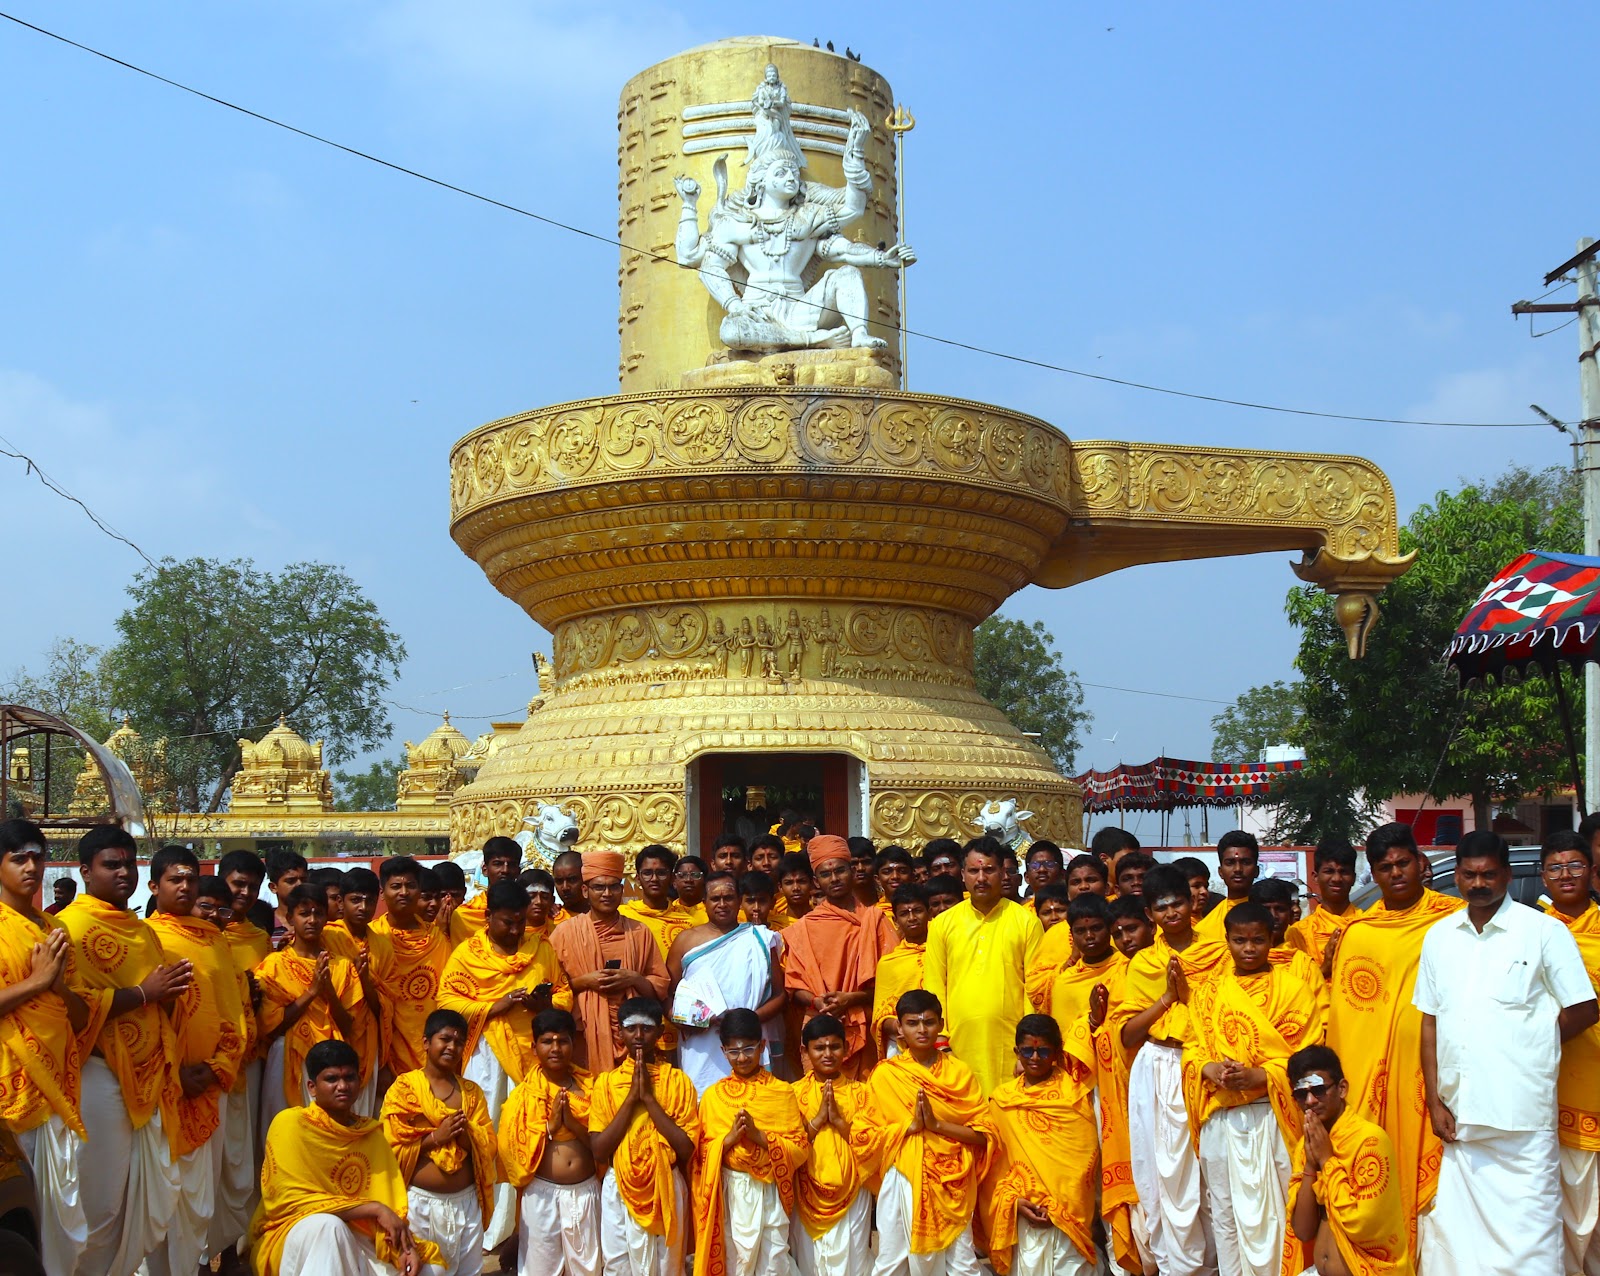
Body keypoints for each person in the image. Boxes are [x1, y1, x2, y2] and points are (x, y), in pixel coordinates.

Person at [1413, 828, 1597, 1276]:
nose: (1479, 884)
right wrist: (1435, 1102)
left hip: (1523, 1116)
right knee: (1458, 1242)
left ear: (1508, 876)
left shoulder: (1543, 931)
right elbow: (1430, 1021)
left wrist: (1534, 1045)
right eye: (1470, 875)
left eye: (1489, 875)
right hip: (1462, 1118)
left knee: (1530, 1240)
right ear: (1456, 876)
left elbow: (1585, 1007)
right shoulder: (1440, 937)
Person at [1324, 822, 1462, 1258]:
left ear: (1422, 864)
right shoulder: (1359, 933)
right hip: (1374, 1085)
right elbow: (1348, 1021)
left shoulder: (1454, 920)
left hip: (1438, 1080)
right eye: (1385, 867)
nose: (1396, 873)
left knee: (1443, 1196)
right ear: (1374, 875)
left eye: (1404, 863)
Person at [41, 825, 173, 1276]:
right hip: (97, 1076)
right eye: (110, 865)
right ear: (84, 871)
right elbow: (71, 1007)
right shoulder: (70, 928)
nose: (123, 873)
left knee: (121, 1206)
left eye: (128, 864)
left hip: (146, 1080)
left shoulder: (140, 928)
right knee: (97, 1206)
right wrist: (143, 994)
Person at [1185, 900, 1323, 1276]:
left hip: (1274, 1116)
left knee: (1282, 1204)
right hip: (1222, 1118)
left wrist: (1261, 1076)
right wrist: (1210, 1068)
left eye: (1258, 940)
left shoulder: (1294, 990)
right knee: (1226, 1212)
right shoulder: (1207, 993)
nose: (1249, 949)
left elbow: (1308, 1057)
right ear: (1226, 941)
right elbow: (1193, 1049)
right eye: (1239, 940)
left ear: (1272, 939)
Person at [1110, 863, 1229, 1276]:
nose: (1171, 912)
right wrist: (1167, 998)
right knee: (1166, 1170)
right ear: (1149, 914)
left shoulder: (1218, 952)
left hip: (1208, 1066)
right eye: (1160, 907)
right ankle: (1179, 1265)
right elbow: (1127, 1034)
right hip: (1160, 1066)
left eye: (1177, 902)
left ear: (1193, 901)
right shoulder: (1143, 962)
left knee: (1210, 1166)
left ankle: (1216, 1263)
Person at [439, 878, 568, 1250]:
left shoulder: (540, 948)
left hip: (534, 1058)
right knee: (488, 1135)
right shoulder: (467, 954)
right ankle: (487, 1224)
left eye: (520, 923)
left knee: (528, 1133)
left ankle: (522, 1226)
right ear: (488, 916)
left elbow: (563, 993)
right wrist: (496, 1006)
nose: (515, 931)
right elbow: (446, 1001)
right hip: (487, 1059)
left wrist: (544, 1006)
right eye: (507, 923)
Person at [144, 844, 251, 1276]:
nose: (185, 886)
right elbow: (140, 1013)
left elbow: (233, 1014)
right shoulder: (146, 937)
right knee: (158, 1192)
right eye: (175, 879)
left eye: (191, 878)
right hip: (158, 1086)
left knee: (199, 1195)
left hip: (209, 1081)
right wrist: (173, 1070)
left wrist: (213, 1068)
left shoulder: (215, 941)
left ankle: (193, 1266)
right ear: (155, 886)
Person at [250, 1039, 437, 1276]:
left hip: (359, 1235)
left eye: (349, 1078)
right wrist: (374, 1209)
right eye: (331, 1079)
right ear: (311, 1087)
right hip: (294, 1233)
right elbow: (290, 1202)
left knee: (432, 1268)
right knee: (329, 1228)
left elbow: (391, 1207)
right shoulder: (290, 1125)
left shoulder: (371, 1134)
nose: (342, 1086)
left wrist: (403, 1246)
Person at [851, 989, 991, 1276]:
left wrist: (938, 1126)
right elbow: (862, 1137)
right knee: (893, 1260)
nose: (922, 1030)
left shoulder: (959, 1074)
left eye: (928, 1022)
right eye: (913, 1023)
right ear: (899, 1028)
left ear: (940, 1024)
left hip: (953, 1179)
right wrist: (908, 1127)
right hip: (901, 1178)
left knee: (961, 1263)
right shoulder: (886, 1075)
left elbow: (984, 1134)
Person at [691, 1008, 809, 1276]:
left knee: (774, 1262)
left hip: (769, 1190)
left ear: (763, 1046)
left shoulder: (782, 1092)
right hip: (730, 1191)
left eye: (749, 1049)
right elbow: (701, 1156)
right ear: (723, 1051)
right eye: (733, 1051)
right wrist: (730, 1139)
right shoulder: (713, 1097)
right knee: (736, 1263)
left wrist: (759, 1137)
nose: (742, 1058)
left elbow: (800, 1149)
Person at [380, 1009, 498, 1276]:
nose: (452, 1047)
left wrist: (464, 1135)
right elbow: (389, 1147)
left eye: (459, 1042)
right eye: (445, 1039)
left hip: (467, 1204)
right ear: (426, 1043)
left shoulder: (471, 1092)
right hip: (420, 1205)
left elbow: (488, 1144)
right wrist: (435, 1138)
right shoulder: (404, 1088)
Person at [587, 998, 699, 1276]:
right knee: (618, 1265)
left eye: (647, 1028)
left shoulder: (678, 1082)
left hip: (666, 1186)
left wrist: (648, 1098)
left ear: (661, 1033)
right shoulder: (607, 1084)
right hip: (619, 1186)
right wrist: (630, 1100)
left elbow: (685, 1149)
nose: (638, 1036)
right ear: (619, 1032)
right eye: (630, 1028)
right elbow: (600, 1151)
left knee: (667, 1265)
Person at [924, 837, 1043, 1095]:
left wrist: (1028, 1048)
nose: (981, 878)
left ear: (1003, 873)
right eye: (974, 870)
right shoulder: (943, 924)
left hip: (1010, 1047)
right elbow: (934, 985)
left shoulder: (1026, 922)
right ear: (963, 874)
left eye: (989, 870)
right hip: (956, 1045)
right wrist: (940, 1042)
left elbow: (1035, 989)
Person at [982, 1014, 1099, 1276]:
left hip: (1068, 1216)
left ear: (1057, 1053)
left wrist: (1057, 1208)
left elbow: (1083, 1160)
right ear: (1017, 1052)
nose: (1035, 1058)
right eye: (1028, 1050)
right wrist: (1015, 1202)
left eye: (1043, 1051)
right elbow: (994, 1168)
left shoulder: (1076, 1097)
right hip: (1022, 1214)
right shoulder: (1002, 1100)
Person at [1284, 1045, 1412, 1276]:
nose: (1310, 1101)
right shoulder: (1308, 1146)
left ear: (1342, 1089)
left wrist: (1327, 1160)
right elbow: (1303, 1230)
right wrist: (1312, 1165)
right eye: (1302, 1094)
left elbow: (1361, 1226)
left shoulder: (1370, 1141)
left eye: (1319, 1090)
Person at [782, 835, 899, 1080]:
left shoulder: (874, 920)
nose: (834, 879)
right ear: (816, 881)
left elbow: (893, 983)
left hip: (864, 1025)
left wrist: (851, 998)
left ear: (852, 871)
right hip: (819, 1027)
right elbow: (794, 986)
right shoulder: (802, 929)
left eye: (840, 870)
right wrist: (818, 1002)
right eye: (826, 874)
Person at [497, 1008, 601, 1276]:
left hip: (586, 1193)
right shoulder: (523, 1096)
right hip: (541, 1195)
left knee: (589, 1269)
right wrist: (551, 1126)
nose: (555, 1048)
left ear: (573, 1044)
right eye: (547, 1041)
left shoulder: (593, 1089)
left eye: (562, 1041)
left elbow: (604, 1147)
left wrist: (573, 1124)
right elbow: (513, 1154)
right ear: (534, 1047)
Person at [255, 883, 368, 1125]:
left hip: (332, 1061)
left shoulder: (342, 966)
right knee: (286, 1129)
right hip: (286, 1057)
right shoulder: (274, 965)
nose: (312, 920)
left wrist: (329, 992)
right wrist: (313, 991)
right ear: (290, 918)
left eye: (318, 913)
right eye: (304, 914)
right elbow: (270, 1027)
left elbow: (349, 1027)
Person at [1540, 830, 1600, 1275]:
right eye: (1556, 867)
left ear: (1592, 871)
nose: (1566, 875)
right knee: (1555, 1217)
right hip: (1547, 1095)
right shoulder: (1531, 931)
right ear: (1543, 876)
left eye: (1575, 865)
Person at [551, 852, 671, 1073]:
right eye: (599, 887)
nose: (607, 893)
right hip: (583, 1035)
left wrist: (633, 978)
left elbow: (660, 987)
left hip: (633, 1035)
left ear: (622, 889)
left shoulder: (639, 932)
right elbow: (551, 990)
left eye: (613, 887)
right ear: (585, 891)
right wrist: (586, 981)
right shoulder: (565, 933)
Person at [667, 872, 784, 1095]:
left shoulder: (760, 938)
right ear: (704, 903)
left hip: (747, 1041)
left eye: (729, 898)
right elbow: (667, 993)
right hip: (701, 1043)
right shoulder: (685, 940)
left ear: (739, 900)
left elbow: (780, 995)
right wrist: (685, 1020)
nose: (722, 904)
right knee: (705, 1105)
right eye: (715, 899)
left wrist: (743, 1021)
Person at [790, 1015, 869, 1276]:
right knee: (811, 1263)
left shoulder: (863, 1093)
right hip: (806, 1190)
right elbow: (789, 1145)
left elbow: (872, 1145)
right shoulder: (793, 1093)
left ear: (846, 1049)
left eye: (834, 1047)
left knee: (854, 1261)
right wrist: (816, 1122)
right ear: (805, 1051)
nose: (827, 1054)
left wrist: (838, 1121)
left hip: (853, 1192)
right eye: (819, 1048)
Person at [371, 856, 453, 1081]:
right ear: (382, 892)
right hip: (386, 1052)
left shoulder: (436, 938)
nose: (404, 892)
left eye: (411, 886)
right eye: (396, 886)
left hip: (431, 1045)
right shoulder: (374, 938)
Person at [1285, 836, 1364, 968]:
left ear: (1353, 878)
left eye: (1343, 872)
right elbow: (1294, 985)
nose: (1337, 879)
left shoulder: (1367, 924)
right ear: (1315, 877)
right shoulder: (1299, 933)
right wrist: (1325, 968)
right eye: (1329, 871)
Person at [871, 885, 929, 1059]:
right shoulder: (889, 963)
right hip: (903, 1046)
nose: (912, 918)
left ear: (929, 912)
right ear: (895, 921)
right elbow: (881, 1017)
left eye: (917, 911)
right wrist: (911, 1028)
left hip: (947, 1038)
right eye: (904, 914)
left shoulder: (946, 952)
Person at [620, 845, 694, 959]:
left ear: (672, 878)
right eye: (647, 873)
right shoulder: (623, 915)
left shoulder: (688, 922)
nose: (654, 879)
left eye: (661, 873)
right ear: (638, 879)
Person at [452, 838, 523, 944]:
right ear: (485, 869)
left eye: (511, 865)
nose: (505, 870)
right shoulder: (464, 916)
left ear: (519, 871)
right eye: (498, 864)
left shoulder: (529, 912)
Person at [1194, 832, 1260, 940]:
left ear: (1257, 871)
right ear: (1220, 872)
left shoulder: (1272, 919)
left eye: (1246, 862)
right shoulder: (1204, 930)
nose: (1238, 869)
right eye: (1230, 863)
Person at [264, 848, 308, 948]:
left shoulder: (316, 922)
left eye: (303, 879)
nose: (299, 885)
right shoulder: (264, 924)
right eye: (291, 881)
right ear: (273, 887)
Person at [872, 848, 916, 929]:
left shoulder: (924, 910)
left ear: (912, 876)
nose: (895, 876)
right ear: (877, 879)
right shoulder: (873, 915)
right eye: (887, 872)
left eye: (902, 871)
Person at [1109, 894, 1155, 960]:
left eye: (1132, 929)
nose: (1125, 939)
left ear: (1151, 927)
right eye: (1117, 935)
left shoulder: (1171, 959)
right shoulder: (1118, 969)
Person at [433, 860, 469, 941]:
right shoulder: (421, 924)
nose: (448, 900)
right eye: (442, 895)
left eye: (455, 895)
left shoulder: (473, 919)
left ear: (464, 893)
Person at [552, 850, 590, 925]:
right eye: (559, 881)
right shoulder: (552, 920)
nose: (565, 887)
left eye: (572, 880)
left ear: (586, 879)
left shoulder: (612, 916)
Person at [776, 853, 815, 927]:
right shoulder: (775, 926)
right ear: (780, 887)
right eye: (789, 883)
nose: (796, 888)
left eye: (801, 881)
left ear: (812, 884)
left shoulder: (822, 919)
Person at [673, 856, 708, 924]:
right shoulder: (668, 911)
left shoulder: (713, 912)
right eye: (682, 875)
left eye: (695, 875)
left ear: (705, 881)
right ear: (674, 882)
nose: (688, 880)